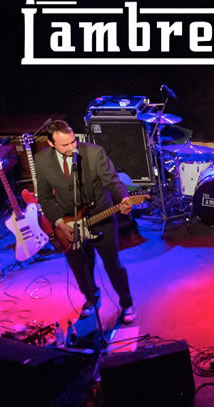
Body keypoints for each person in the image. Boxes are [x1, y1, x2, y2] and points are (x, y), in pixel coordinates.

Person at [34, 120, 137, 323]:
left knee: (113, 265)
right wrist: (59, 224)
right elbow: (45, 199)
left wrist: (123, 198)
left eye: (73, 141)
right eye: (65, 145)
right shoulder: (42, 160)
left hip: (101, 217)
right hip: (69, 224)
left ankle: (127, 302)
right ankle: (91, 298)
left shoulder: (94, 153)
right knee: (81, 267)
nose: (72, 147)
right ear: (51, 143)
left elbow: (113, 181)